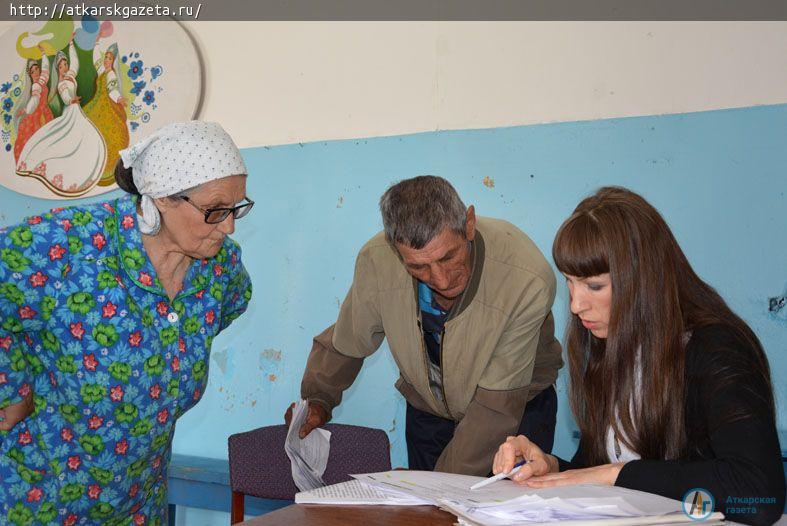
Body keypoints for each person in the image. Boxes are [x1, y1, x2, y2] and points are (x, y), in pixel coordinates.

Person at [0, 121, 254, 525]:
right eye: (216, 210)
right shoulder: (66, 244)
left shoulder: (220, 269)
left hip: (139, 503)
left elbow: (229, 307)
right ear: (162, 200)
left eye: (238, 206)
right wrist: (13, 385)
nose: (229, 226)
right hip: (41, 500)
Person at [492, 187, 784, 526]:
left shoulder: (719, 349)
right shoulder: (610, 344)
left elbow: (759, 496)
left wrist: (616, 474)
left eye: (594, 286)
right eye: (570, 282)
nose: (575, 304)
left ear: (643, 279)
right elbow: (602, 470)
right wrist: (552, 467)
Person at [288, 175, 563, 475]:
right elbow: (348, 338)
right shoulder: (378, 262)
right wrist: (317, 399)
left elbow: (495, 410)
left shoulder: (525, 279)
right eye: (418, 267)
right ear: (395, 249)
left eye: (449, 257)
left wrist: (440, 491)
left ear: (469, 224)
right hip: (429, 411)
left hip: (514, 410)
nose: (441, 280)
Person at [16, 39, 106, 197]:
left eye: (65, 64)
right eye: (61, 66)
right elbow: (63, 96)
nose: (64, 67)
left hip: (75, 110)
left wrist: (71, 44)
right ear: (57, 69)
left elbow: (74, 63)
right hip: (70, 110)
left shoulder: (70, 76)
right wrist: (70, 100)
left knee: (83, 137)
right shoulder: (60, 84)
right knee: (67, 139)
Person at [84, 39, 129, 187]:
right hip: (97, 106)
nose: (106, 61)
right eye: (106, 58)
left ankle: (107, 168)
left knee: (109, 135)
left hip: (107, 107)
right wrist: (96, 44)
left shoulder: (110, 74)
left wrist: (119, 98)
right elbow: (96, 61)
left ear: (113, 61)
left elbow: (112, 90)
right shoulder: (103, 71)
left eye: (109, 59)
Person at [12, 45, 54, 162]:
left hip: (45, 113)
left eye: (36, 69)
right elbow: (35, 100)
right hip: (37, 115)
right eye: (32, 71)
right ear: (29, 75)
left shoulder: (42, 80)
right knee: (34, 140)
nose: (35, 72)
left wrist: (44, 54)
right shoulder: (36, 85)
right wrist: (26, 110)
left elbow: (46, 69)